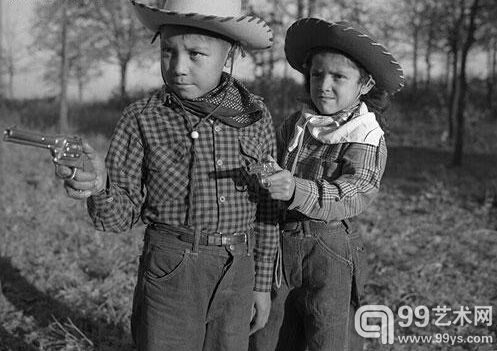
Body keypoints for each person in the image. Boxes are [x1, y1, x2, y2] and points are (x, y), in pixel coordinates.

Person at [56, 1, 280, 350]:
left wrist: (262, 284)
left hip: (240, 270)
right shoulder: (141, 118)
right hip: (170, 270)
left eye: (195, 54)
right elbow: (120, 216)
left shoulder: (256, 116)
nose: (178, 67)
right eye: (168, 51)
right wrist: (99, 187)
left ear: (229, 54)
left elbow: (268, 208)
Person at [249, 19, 405, 351]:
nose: (324, 86)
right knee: (270, 333)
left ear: (364, 84)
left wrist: (295, 189)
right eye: (317, 74)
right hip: (281, 245)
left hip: (330, 249)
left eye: (338, 77)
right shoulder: (297, 123)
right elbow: (272, 168)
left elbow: (355, 191)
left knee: (326, 333)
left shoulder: (365, 134)